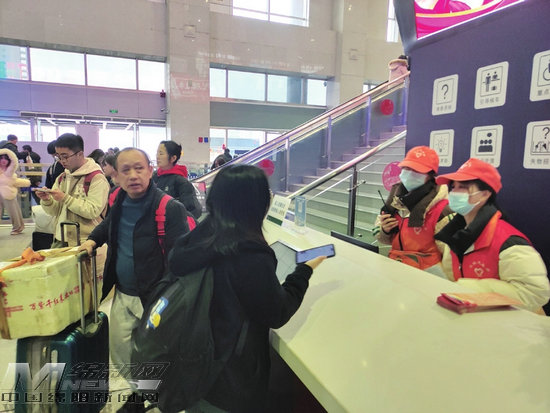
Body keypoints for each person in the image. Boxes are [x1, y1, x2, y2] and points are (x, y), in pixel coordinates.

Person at [168, 164, 325, 413]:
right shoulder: (249, 253)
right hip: (231, 381)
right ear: (254, 204)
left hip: (195, 367)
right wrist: (304, 270)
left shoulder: (198, 238)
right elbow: (276, 312)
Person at [79, 148, 191, 413]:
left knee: (158, 353)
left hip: (156, 298)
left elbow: (182, 259)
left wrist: (171, 298)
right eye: (126, 170)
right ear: (115, 176)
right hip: (123, 292)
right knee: (120, 350)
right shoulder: (118, 199)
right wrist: (92, 240)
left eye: (139, 168)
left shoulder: (169, 208)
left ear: (150, 170)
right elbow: (109, 225)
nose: (133, 175)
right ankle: (145, 393)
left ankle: (156, 398)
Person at [434, 158, 550, 312]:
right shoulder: (454, 234)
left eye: (463, 187)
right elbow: (451, 277)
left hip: (510, 322)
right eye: (453, 187)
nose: (454, 193)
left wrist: (467, 287)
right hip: (471, 316)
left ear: (484, 194)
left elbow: (535, 292)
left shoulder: (509, 241)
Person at [376, 146, 453, 276]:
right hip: (395, 271)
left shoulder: (442, 210)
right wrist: (385, 230)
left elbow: (449, 258)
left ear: (430, 175)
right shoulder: (395, 200)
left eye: (416, 170)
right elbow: (379, 235)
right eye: (406, 168)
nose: (409, 173)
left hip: (426, 277)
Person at [35, 133, 109, 247]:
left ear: (80, 154)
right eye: (58, 157)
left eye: (65, 156)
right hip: (59, 237)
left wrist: (65, 198)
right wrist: (47, 200)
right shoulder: (62, 177)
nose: (62, 161)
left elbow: (92, 211)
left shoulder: (96, 178)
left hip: (84, 241)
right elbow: (54, 212)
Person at [153, 140, 202, 219]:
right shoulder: (154, 177)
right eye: (157, 153)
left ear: (173, 158)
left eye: (161, 153)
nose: (157, 157)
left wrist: (176, 220)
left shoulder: (181, 182)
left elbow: (194, 210)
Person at [0, 149, 30, 235]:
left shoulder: (11, 170)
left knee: (14, 211)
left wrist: (26, 183)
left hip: (9, 193)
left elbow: (14, 161)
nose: (3, 160)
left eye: (6, 158)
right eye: (1, 158)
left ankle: (18, 227)